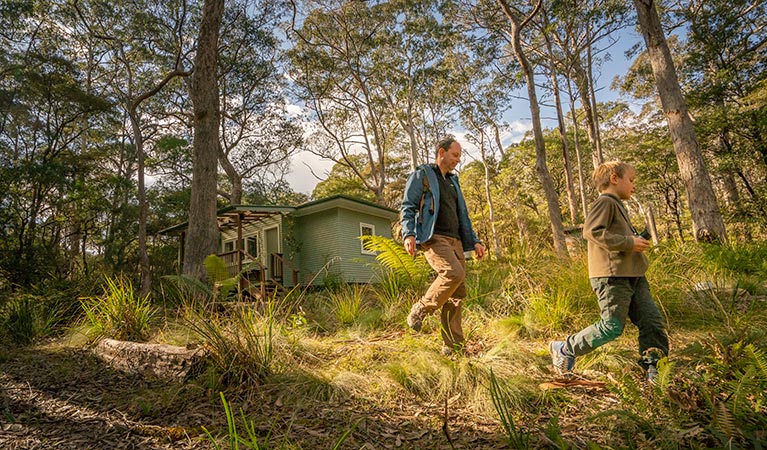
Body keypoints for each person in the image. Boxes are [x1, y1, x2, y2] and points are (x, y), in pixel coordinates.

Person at [549, 160, 669, 383]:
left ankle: (655, 369)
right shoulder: (605, 202)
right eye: (631, 180)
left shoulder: (618, 205)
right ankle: (565, 348)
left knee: (652, 322)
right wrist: (628, 242)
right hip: (612, 277)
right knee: (612, 326)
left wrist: (635, 240)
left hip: (635, 275)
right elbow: (592, 231)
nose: (634, 185)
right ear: (614, 178)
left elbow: (620, 238)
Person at [400, 137, 486, 356]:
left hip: (456, 240)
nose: (458, 160)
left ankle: (453, 347)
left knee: (457, 295)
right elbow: (408, 205)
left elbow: (463, 215)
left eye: (459, 156)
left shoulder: (453, 181)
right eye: (455, 155)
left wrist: (474, 240)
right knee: (452, 273)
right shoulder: (423, 175)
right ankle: (421, 308)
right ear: (441, 152)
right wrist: (408, 233)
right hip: (434, 237)